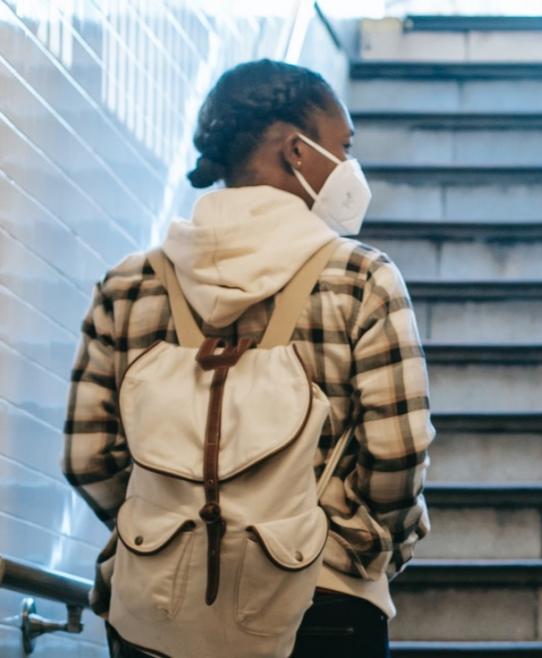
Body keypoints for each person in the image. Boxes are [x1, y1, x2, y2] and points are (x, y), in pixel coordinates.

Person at [62, 59, 432, 658]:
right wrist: (356, 550)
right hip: (319, 603)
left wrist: (163, 538)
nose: (349, 166)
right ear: (296, 152)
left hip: (152, 613)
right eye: (342, 147)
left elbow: (88, 457)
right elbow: (399, 451)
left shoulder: (128, 285)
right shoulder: (362, 278)